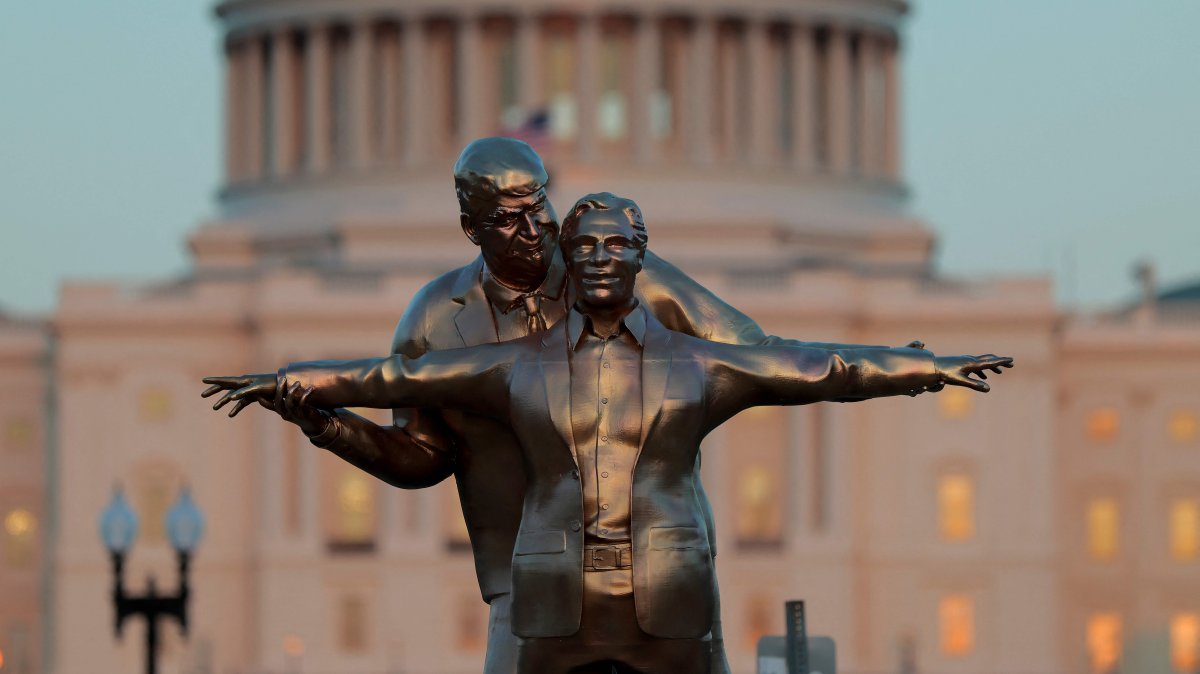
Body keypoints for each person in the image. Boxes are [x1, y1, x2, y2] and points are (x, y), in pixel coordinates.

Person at [204, 192, 1012, 674]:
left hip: (669, 587)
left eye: (615, 246)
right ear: (566, 256)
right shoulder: (514, 365)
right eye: (582, 246)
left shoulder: (701, 364)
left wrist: (925, 368)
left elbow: (822, 368)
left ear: (640, 259)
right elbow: (396, 379)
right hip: (554, 590)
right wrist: (296, 384)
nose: (597, 260)